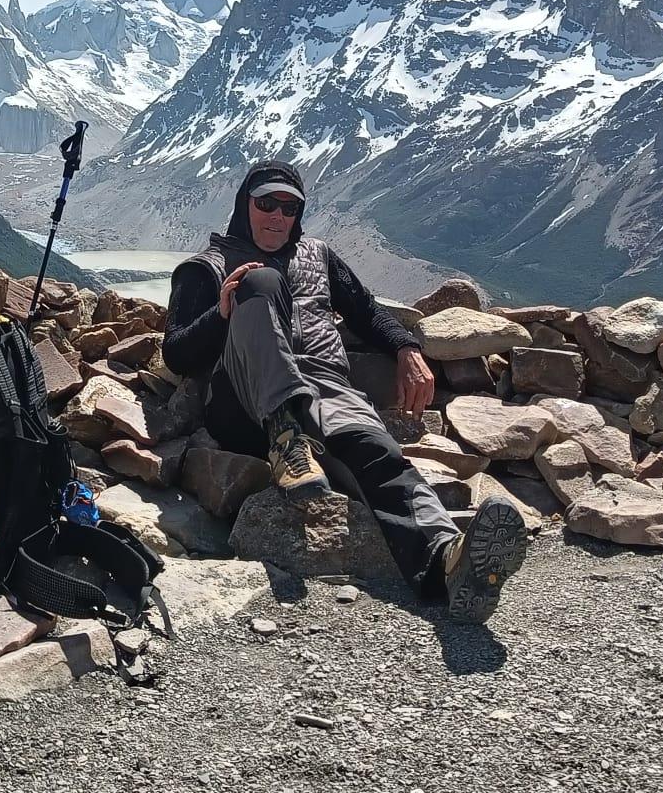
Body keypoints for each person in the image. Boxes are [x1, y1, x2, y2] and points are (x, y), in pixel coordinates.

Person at [163, 159, 527, 622]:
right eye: (266, 204)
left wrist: (407, 349)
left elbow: (367, 313)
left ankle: (445, 564)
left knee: (379, 456)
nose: (277, 216)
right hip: (245, 396)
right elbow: (176, 353)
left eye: (289, 208)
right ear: (244, 205)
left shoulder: (319, 257)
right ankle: (283, 436)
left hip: (325, 390)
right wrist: (221, 313)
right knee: (262, 281)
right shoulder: (205, 268)